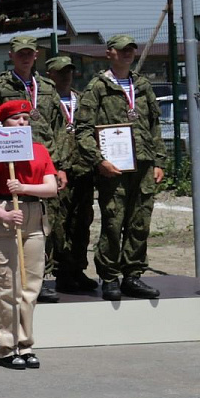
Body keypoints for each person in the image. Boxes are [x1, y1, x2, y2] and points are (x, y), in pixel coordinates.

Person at [75, 34, 165, 300]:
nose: (127, 54)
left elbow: (154, 125)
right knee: (113, 222)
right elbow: (83, 131)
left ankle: (133, 275)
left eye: (131, 50)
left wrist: (159, 161)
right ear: (109, 53)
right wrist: (99, 161)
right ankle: (110, 276)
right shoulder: (97, 87)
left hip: (144, 165)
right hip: (113, 168)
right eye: (122, 50)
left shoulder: (142, 85)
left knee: (140, 223)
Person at [0, 99, 58, 369]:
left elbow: (52, 188)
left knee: (31, 288)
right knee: (8, 288)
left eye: (25, 119)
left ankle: (26, 343)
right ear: (3, 123)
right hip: (7, 217)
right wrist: (3, 214)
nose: (22, 123)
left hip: (33, 217)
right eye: (15, 119)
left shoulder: (39, 151)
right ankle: (7, 348)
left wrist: (24, 187)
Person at [0, 36, 66, 303]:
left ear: (36, 55)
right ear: (11, 55)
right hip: (10, 166)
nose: (25, 57)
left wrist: (61, 166)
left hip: (43, 164)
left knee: (44, 225)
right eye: (20, 53)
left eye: (30, 53)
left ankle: (41, 278)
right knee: (7, 225)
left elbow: (59, 128)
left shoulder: (46, 86)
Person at [45, 55, 98, 297]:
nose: (66, 75)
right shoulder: (45, 101)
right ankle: (62, 271)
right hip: (59, 171)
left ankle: (78, 268)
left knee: (82, 221)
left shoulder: (82, 100)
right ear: (50, 75)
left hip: (84, 170)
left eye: (69, 71)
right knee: (58, 224)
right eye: (60, 71)